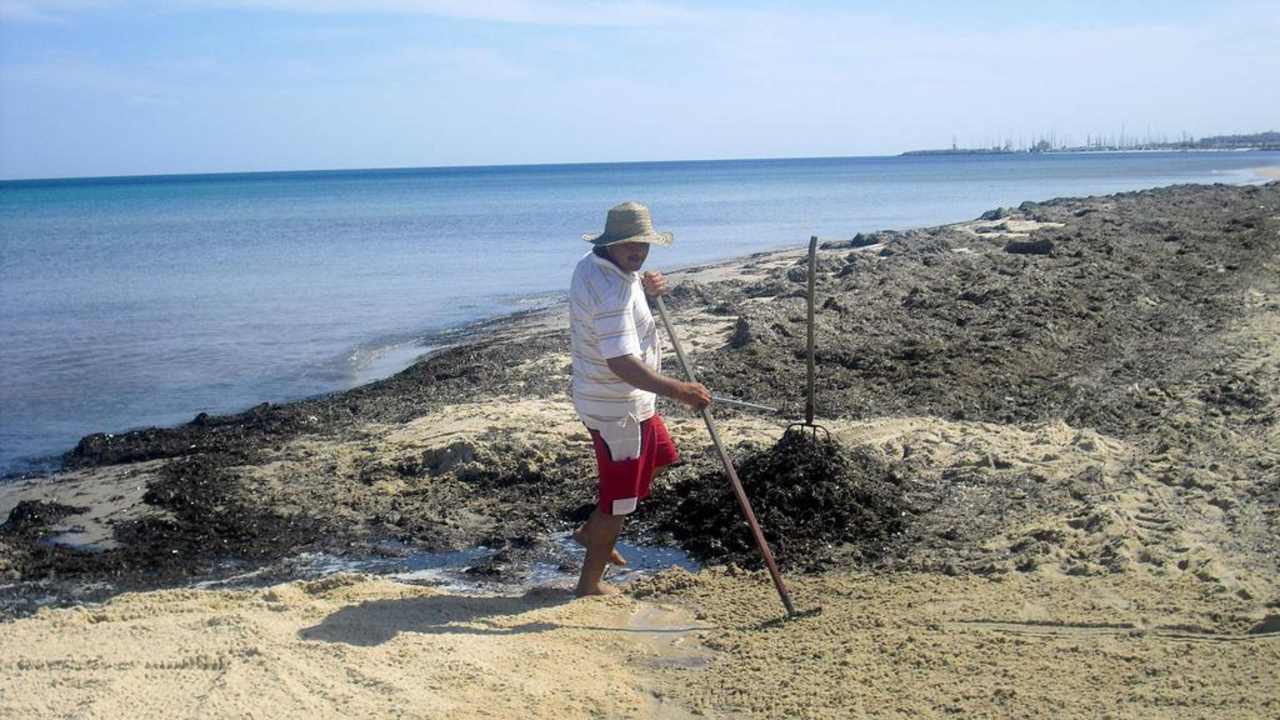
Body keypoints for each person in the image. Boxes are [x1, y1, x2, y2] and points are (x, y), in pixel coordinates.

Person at [569, 201, 712, 596]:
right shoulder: (611, 289)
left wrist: (645, 291)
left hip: (626, 399)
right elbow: (620, 362)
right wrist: (678, 390)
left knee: (663, 457)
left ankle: (589, 532)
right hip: (618, 405)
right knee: (619, 503)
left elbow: (622, 311)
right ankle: (589, 585)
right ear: (610, 242)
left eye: (644, 245)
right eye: (629, 244)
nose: (638, 252)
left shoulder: (601, 265)